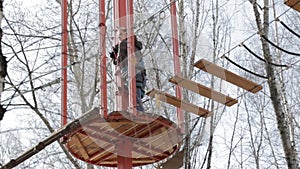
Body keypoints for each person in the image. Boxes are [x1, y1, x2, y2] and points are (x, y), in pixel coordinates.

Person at [109, 28, 146, 112]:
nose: (119, 37)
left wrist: (115, 57)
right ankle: (139, 114)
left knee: (134, 99)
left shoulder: (125, 44)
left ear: (127, 34)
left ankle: (140, 116)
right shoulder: (134, 45)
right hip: (140, 75)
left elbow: (120, 60)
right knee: (136, 98)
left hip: (134, 74)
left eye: (121, 35)